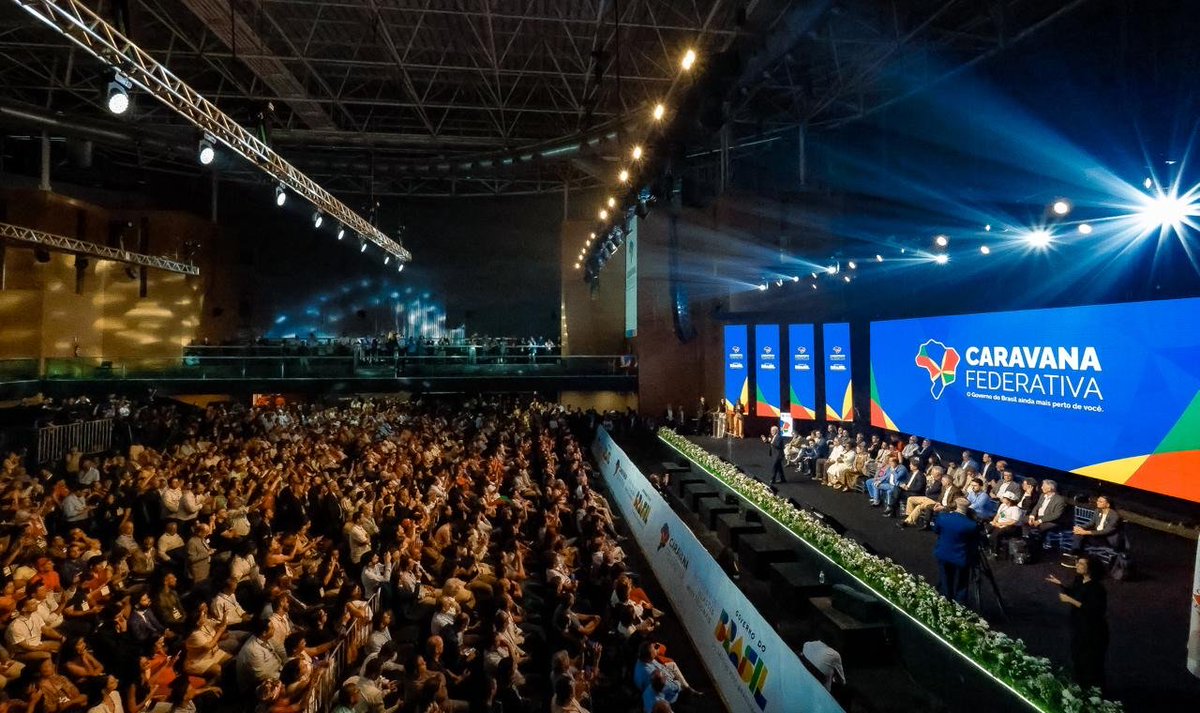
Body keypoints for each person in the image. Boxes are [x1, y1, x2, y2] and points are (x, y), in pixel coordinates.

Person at [1046, 556, 1108, 690]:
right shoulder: (1079, 579)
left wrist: (1070, 600)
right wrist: (1060, 584)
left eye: (1081, 563)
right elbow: (1075, 593)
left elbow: (1094, 610)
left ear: (1090, 569)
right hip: (1079, 625)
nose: (1077, 565)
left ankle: (1095, 691)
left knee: (1091, 660)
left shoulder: (1097, 588)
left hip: (1093, 630)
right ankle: (1081, 686)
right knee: (1077, 656)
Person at [931, 498, 979, 604]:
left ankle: (945, 601)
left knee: (945, 579)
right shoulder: (971, 525)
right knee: (962, 582)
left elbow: (936, 530)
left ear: (955, 506)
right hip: (961, 557)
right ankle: (959, 604)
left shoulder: (943, 517)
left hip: (943, 553)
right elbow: (975, 542)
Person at [1022, 479, 1068, 544]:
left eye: (1043, 486)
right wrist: (1032, 516)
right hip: (1038, 517)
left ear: (1049, 488)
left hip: (1050, 521)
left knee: (1040, 528)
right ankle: (1026, 538)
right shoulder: (1042, 495)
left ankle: (1038, 543)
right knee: (1024, 519)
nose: (1041, 487)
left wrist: (1039, 521)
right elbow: (1037, 506)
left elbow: (1056, 515)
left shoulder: (1059, 500)